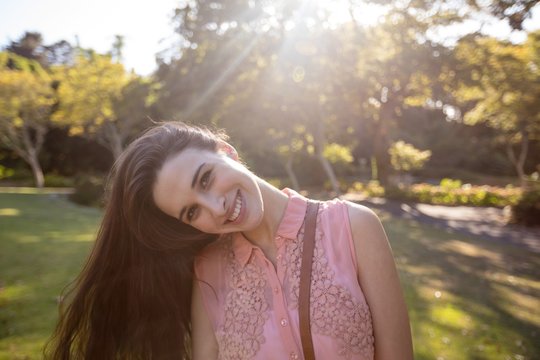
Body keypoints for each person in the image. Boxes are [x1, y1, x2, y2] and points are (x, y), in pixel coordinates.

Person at [44, 122, 413, 360]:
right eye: (191, 212)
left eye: (205, 179)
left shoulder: (354, 226)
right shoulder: (208, 270)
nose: (215, 207)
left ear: (227, 152)